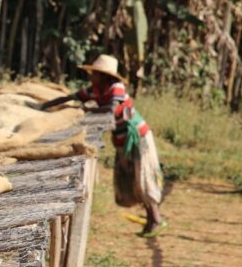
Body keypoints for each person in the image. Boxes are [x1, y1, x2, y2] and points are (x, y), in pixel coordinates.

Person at [39, 54, 166, 236]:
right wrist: (44, 106)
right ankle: (152, 219)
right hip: (122, 139)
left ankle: (155, 219)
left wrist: (87, 109)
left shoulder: (116, 87)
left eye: (95, 73)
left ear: (105, 76)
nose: (91, 76)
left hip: (138, 137)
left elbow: (112, 109)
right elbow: (70, 97)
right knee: (134, 178)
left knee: (143, 177)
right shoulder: (95, 90)